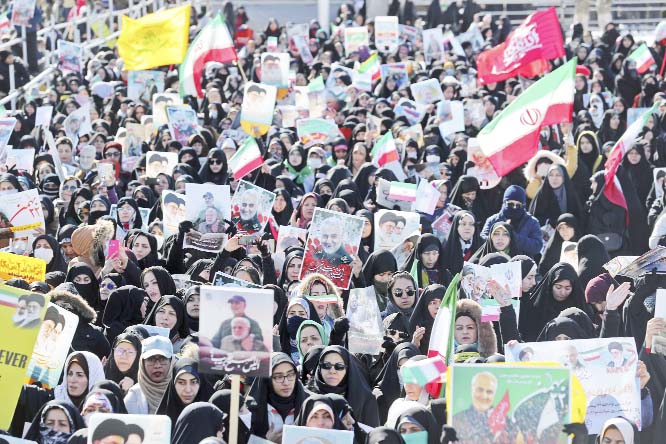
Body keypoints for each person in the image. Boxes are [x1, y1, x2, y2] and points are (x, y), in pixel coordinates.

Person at [481, 185, 543, 257]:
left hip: (522, 264)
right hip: (495, 262)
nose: (514, 207)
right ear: (504, 202)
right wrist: (499, 236)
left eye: (518, 205)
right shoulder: (493, 220)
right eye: (510, 204)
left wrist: (513, 237)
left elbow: (537, 246)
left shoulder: (532, 222)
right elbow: (482, 240)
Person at [124, 335, 174, 414]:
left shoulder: (181, 391)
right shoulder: (134, 397)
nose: (157, 365)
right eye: (151, 359)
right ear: (142, 363)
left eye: (162, 359)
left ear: (171, 361)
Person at [451, 371, 502, 443]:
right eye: (480, 390)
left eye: (489, 391)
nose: (484, 396)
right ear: (472, 390)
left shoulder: (504, 422)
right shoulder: (457, 420)